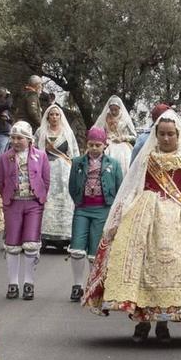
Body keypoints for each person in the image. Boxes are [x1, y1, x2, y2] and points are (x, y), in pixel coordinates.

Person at [83, 109, 181, 343]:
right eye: (162, 134)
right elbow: (132, 187)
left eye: (170, 134)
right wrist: (118, 218)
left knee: (172, 270)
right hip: (147, 214)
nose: (166, 138)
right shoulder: (147, 158)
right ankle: (142, 322)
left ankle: (163, 323)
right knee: (143, 269)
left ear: (178, 135)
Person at [0, 120, 50, 301]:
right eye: (13, 138)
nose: (16, 141)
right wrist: (9, 196)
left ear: (29, 139)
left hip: (33, 204)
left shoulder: (41, 156)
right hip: (13, 203)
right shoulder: (4, 158)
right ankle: (13, 283)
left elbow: (46, 180)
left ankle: (28, 283)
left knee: (31, 243)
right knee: (12, 243)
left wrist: (40, 197)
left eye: (20, 138)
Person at [67, 126, 123, 302]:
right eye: (91, 144)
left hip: (102, 210)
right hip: (82, 209)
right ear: (87, 144)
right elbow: (72, 185)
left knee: (95, 250)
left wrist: (113, 209)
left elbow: (119, 188)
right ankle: (77, 286)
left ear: (105, 145)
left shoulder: (114, 164)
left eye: (98, 145)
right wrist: (79, 201)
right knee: (77, 247)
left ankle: (93, 286)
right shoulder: (77, 162)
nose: (94, 148)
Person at [37, 103, 79, 297]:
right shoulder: (41, 132)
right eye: (51, 114)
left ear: (60, 117)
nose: (54, 117)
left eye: (57, 114)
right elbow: (36, 152)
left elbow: (74, 153)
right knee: (47, 202)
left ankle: (65, 236)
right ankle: (45, 236)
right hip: (47, 171)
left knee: (65, 202)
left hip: (64, 172)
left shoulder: (67, 133)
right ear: (47, 116)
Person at [93, 95, 138, 171]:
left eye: (115, 110)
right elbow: (97, 131)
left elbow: (134, 136)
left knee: (125, 162)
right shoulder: (105, 117)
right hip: (108, 144)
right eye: (111, 110)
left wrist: (123, 138)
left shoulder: (125, 119)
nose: (113, 112)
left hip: (122, 145)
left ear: (119, 108)